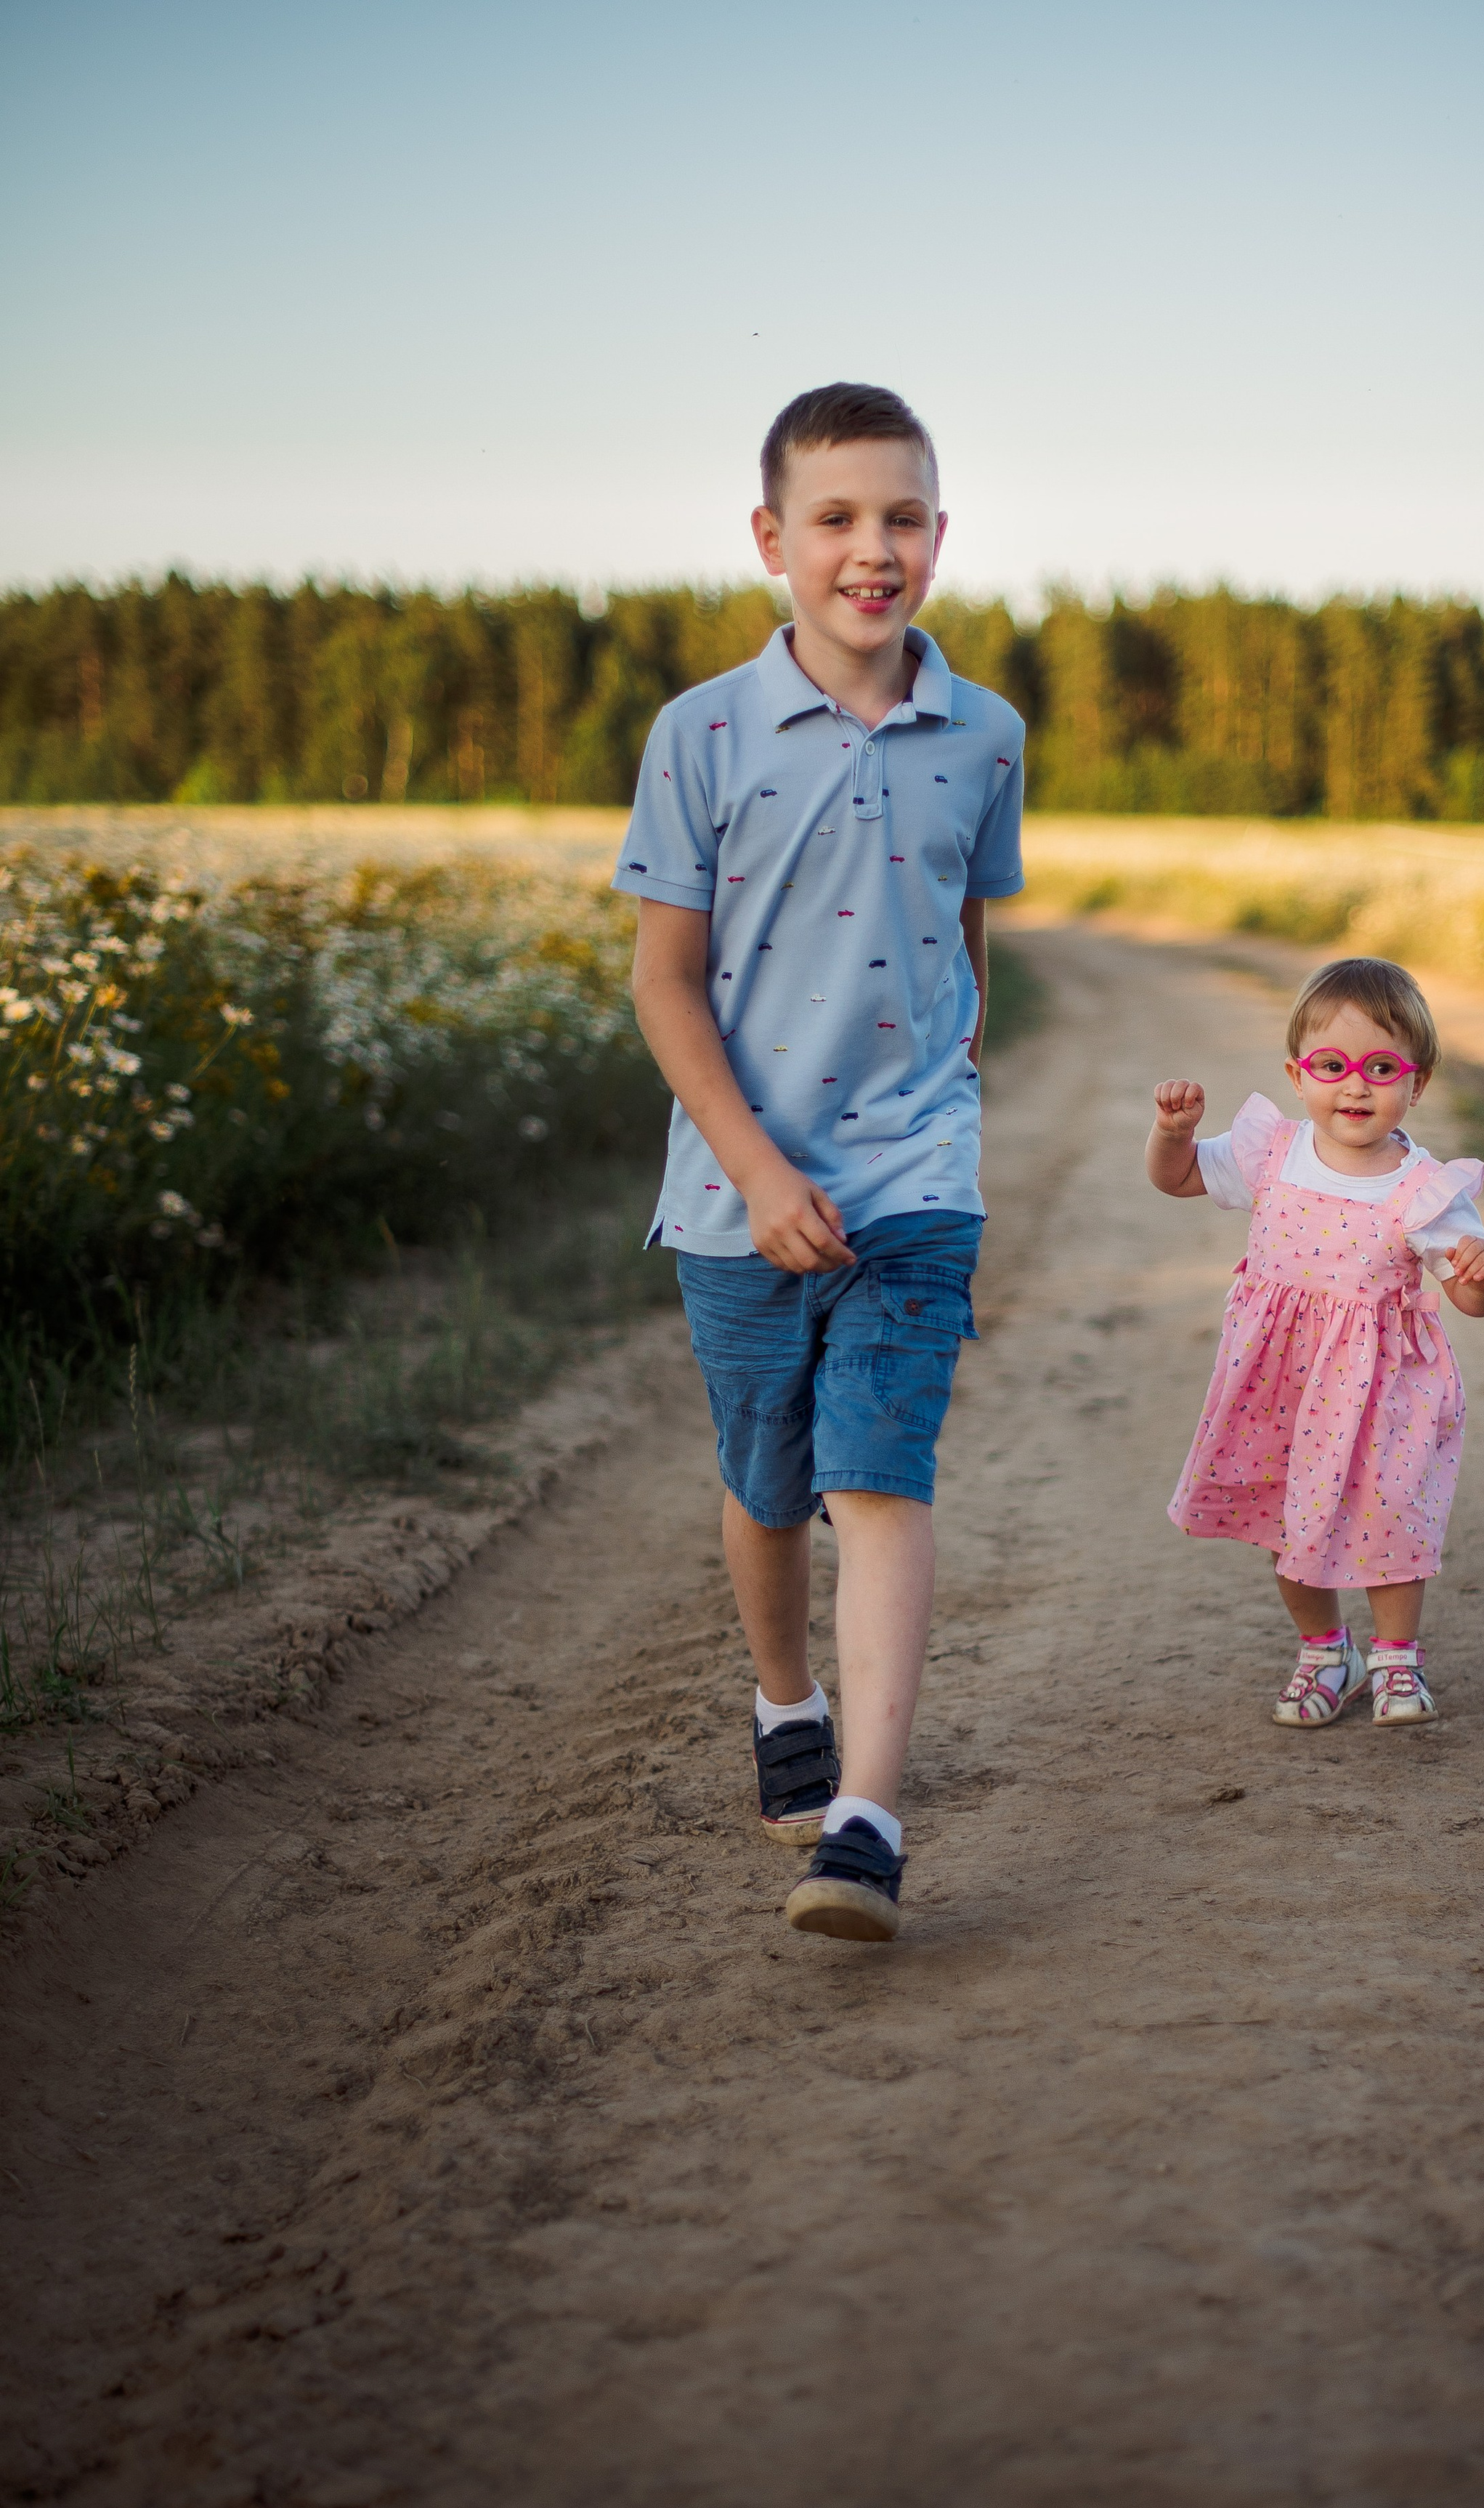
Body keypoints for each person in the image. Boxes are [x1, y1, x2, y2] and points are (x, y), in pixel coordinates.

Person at [622, 382, 1024, 1941]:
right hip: (737, 1183)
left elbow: (965, 912)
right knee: (766, 1478)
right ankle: (780, 1695)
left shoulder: (981, 730)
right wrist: (758, 1165)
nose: (874, 549)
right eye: (838, 519)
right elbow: (664, 981)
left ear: (939, 535)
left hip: (917, 1172)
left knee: (876, 1471)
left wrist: (954, 1046)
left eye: (903, 517)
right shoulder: (702, 731)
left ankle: (863, 1814)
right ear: (770, 539)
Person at [1146, 956, 1484, 1728]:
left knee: (1390, 1514)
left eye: (1381, 1068)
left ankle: (1396, 1662)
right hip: (1281, 1385)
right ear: (1297, 1074)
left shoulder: (1424, 1190)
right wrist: (1171, 1135)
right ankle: (1323, 1650)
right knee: (1286, 1517)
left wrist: (1480, 1275)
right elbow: (1176, 1180)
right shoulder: (1271, 1154)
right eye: (1332, 1066)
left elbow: (1474, 1301)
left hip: (1383, 1392)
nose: (1355, 1086)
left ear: (1417, 1082)